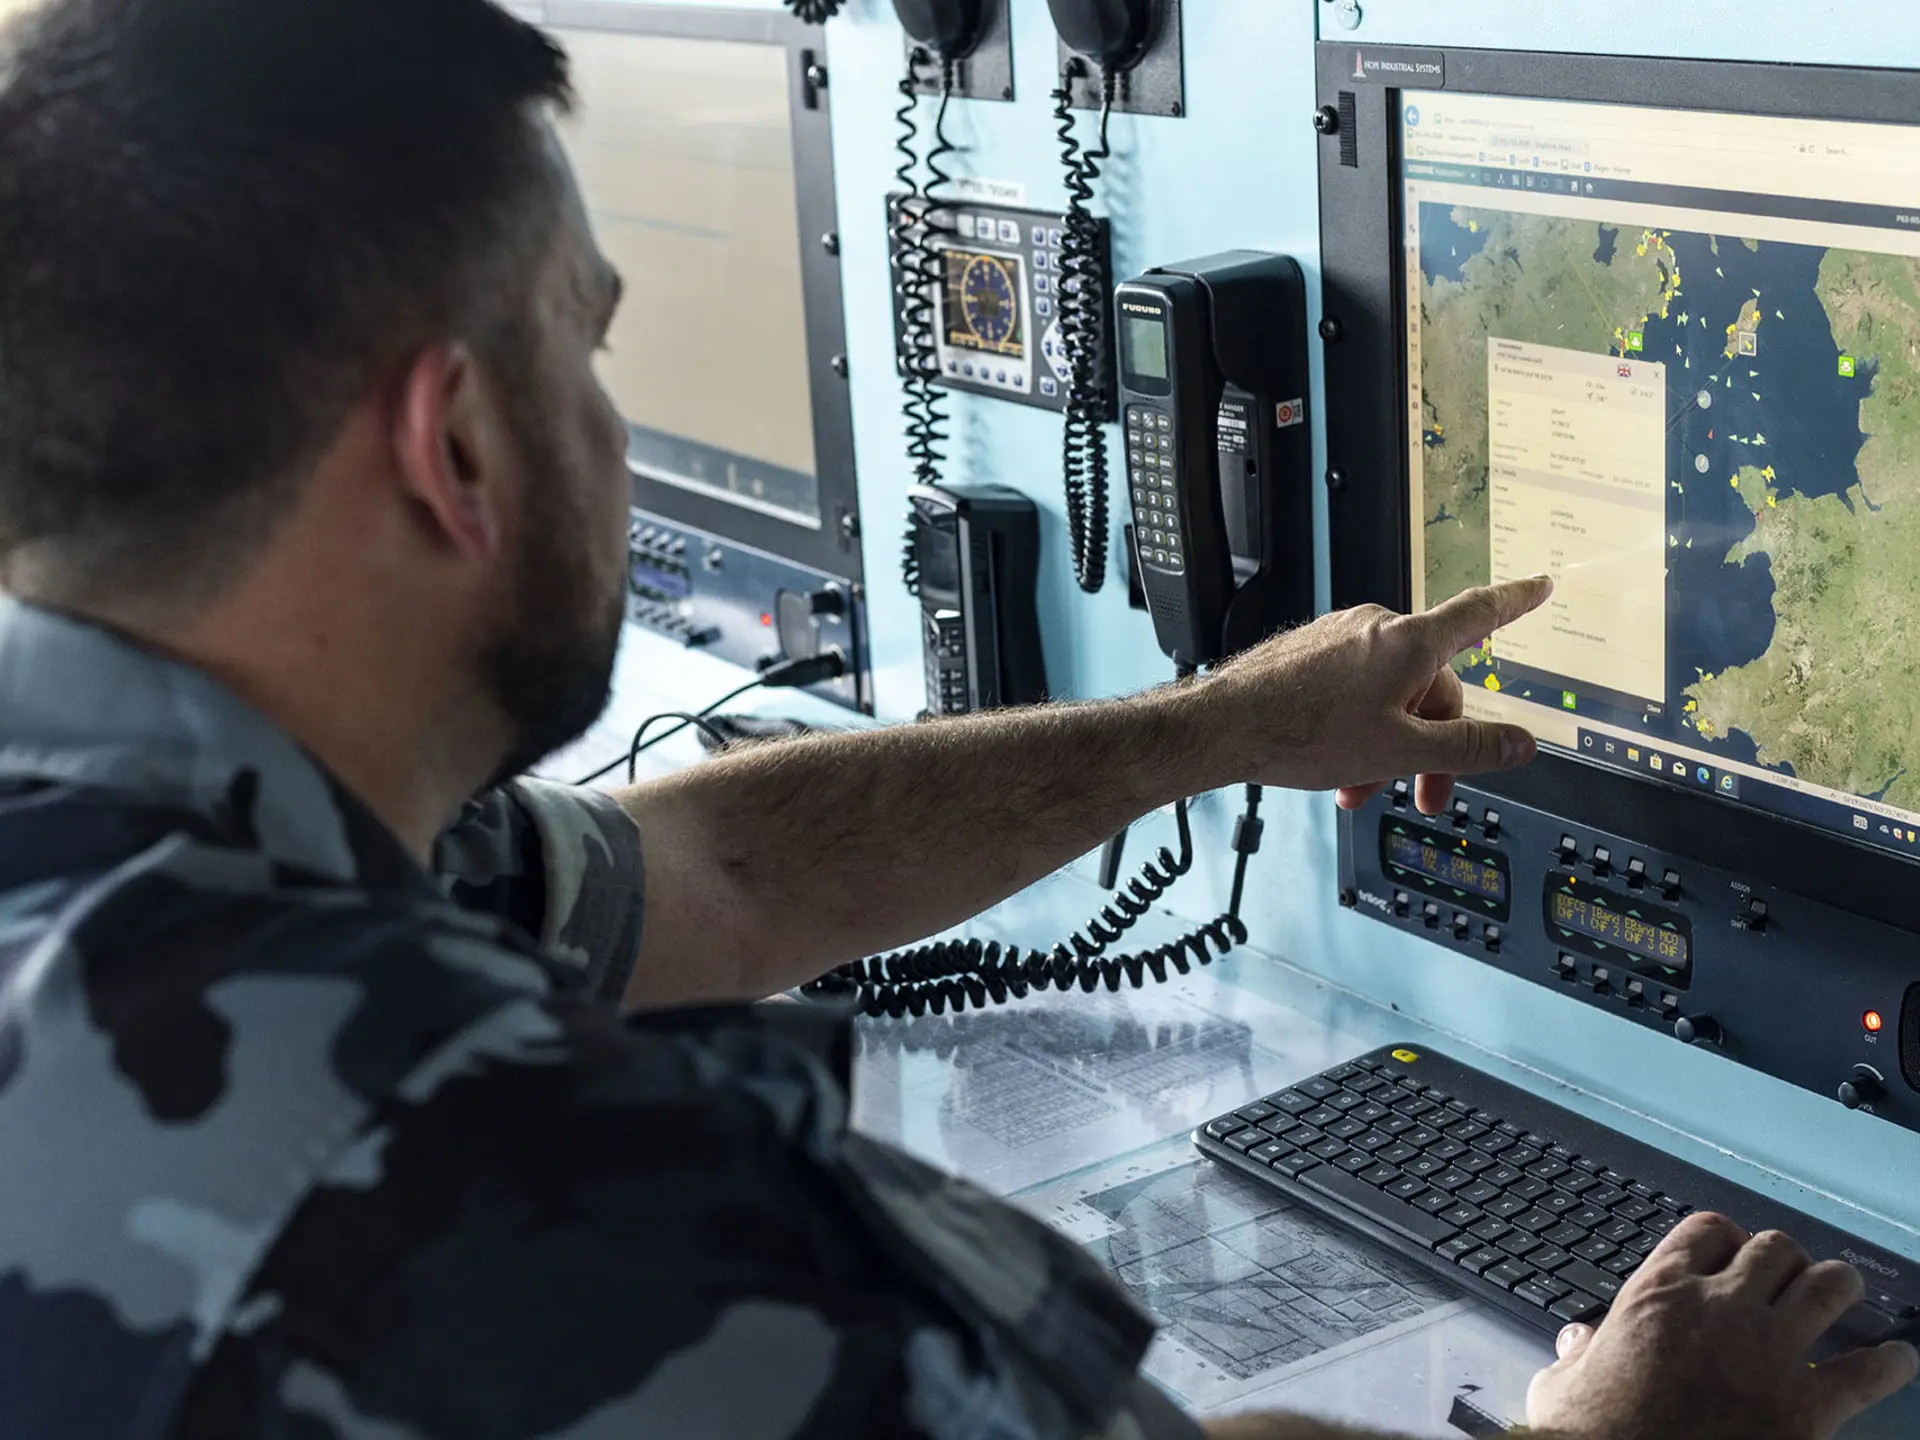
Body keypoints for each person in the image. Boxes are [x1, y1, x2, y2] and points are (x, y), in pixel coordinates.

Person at [0, 1, 1909, 1436]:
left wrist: (1211, 727)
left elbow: (705, 871)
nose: (604, 419)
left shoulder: (166, 817)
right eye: (584, 340)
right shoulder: (506, 1180)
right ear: (456, 442)